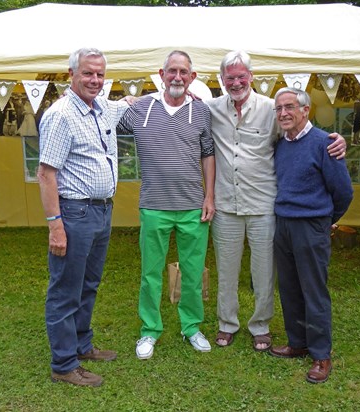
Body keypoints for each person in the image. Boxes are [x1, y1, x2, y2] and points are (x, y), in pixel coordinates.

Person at [205, 51, 346, 351]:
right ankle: (226, 323)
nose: (236, 82)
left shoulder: (272, 109)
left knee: (264, 272)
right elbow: (181, 114)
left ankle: (260, 326)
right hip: (226, 205)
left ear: (251, 77)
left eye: (242, 76)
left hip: (264, 206)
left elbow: (300, 134)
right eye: (230, 77)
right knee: (226, 270)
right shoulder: (211, 109)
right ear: (222, 80)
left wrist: (337, 141)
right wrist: (133, 103)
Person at [37, 47, 130, 387]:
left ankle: (81, 345)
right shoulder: (61, 115)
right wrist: (55, 226)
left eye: (100, 74)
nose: (95, 80)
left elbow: (129, 105)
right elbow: (46, 174)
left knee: (88, 284)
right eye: (88, 73)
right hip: (74, 213)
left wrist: (176, 92)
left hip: (102, 209)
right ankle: (63, 364)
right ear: (71, 74)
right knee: (65, 290)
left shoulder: (103, 107)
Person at [117, 50, 215, 360]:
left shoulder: (202, 112)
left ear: (192, 77)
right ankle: (149, 330)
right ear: (161, 74)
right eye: (171, 71)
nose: (177, 77)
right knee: (151, 273)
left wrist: (209, 196)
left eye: (183, 72)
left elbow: (208, 154)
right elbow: (104, 123)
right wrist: (123, 102)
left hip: (192, 207)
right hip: (154, 206)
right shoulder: (142, 109)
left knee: (192, 270)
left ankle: (191, 327)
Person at [268, 87, 353, 384]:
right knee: (289, 287)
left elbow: (344, 191)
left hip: (311, 225)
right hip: (284, 225)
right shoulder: (281, 144)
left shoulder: (324, 144)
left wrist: (327, 220)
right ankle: (298, 342)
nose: (283, 113)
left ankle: (320, 354)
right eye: (279, 109)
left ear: (306, 110)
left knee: (314, 290)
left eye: (290, 107)